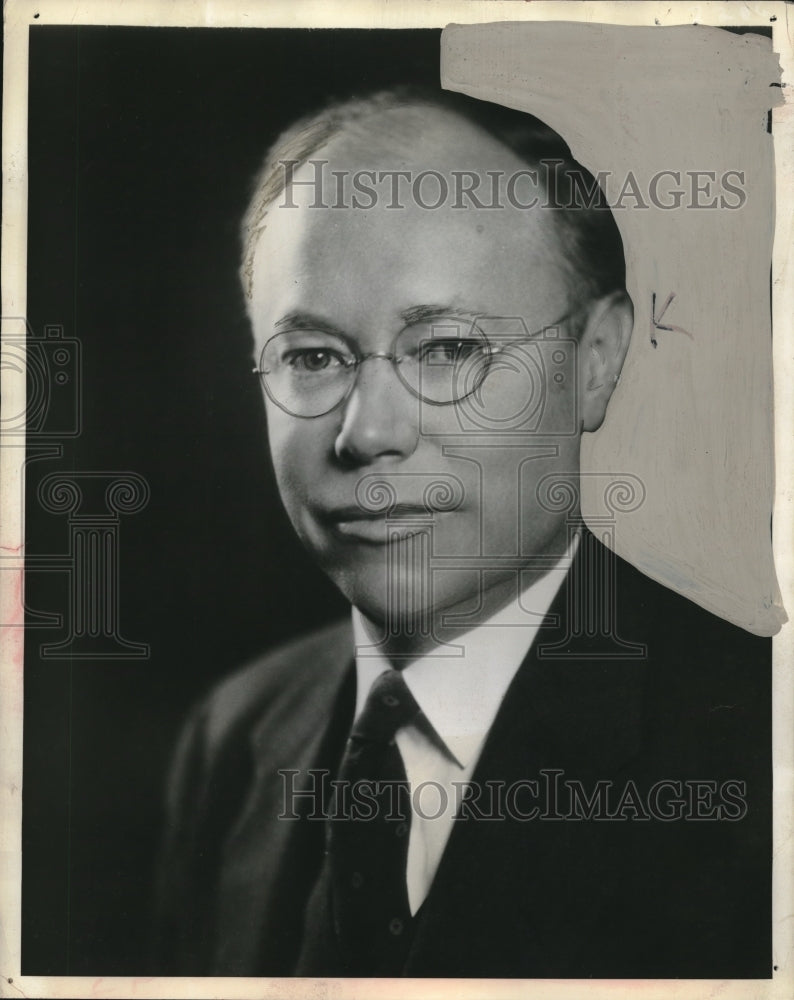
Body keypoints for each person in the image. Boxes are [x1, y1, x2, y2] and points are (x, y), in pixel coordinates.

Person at [154, 88, 771, 979]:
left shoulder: (758, 749)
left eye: (447, 349)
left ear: (595, 363)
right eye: (313, 357)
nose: (367, 432)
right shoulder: (234, 737)